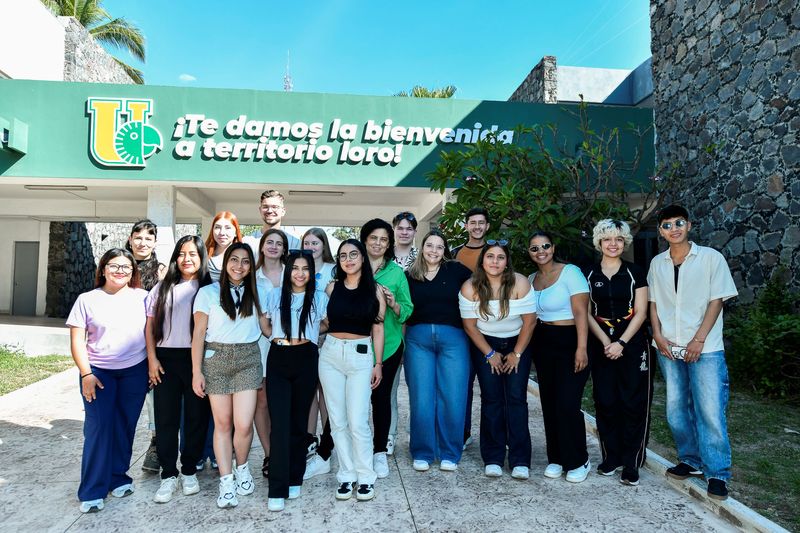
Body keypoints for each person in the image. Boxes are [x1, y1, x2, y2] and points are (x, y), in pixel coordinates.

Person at [648, 205, 737, 501]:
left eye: (679, 223)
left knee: (709, 411)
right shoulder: (657, 264)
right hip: (668, 348)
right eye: (667, 225)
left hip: (705, 348)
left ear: (688, 225)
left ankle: (717, 473)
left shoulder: (711, 258)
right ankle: (690, 460)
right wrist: (657, 335)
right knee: (675, 411)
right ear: (660, 231)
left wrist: (699, 340)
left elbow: (716, 301)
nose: (674, 228)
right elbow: (653, 303)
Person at [67, 248, 150, 513]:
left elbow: (151, 333)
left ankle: (119, 477)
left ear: (133, 272)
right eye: (114, 266)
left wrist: (151, 364)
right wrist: (86, 374)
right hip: (99, 373)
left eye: (126, 267)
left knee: (125, 427)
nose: (120, 271)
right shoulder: (87, 299)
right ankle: (92, 489)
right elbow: (77, 341)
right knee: (99, 428)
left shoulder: (143, 297)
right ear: (103, 269)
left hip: (134, 371)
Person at [191, 242, 270, 509]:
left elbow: (267, 329)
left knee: (244, 424)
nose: (239, 266)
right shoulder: (207, 293)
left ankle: (242, 466)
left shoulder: (258, 293)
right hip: (216, 360)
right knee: (223, 424)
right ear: (225, 264)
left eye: (245, 261)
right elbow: (198, 335)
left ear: (251, 266)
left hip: (248, 359)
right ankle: (226, 482)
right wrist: (196, 372)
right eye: (234, 260)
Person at [459, 240, 536, 479]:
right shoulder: (470, 287)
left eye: (500, 257)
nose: (495, 261)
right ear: (482, 261)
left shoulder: (520, 283)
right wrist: (490, 354)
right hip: (486, 343)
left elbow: (530, 321)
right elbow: (470, 326)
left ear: (506, 262)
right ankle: (492, 457)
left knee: (516, 398)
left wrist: (517, 354)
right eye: (490, 256)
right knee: (491, 399)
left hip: (518, 341)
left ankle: (520, 459)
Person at [584, 220, 652, 486]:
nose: (613, 244)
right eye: (607, 239)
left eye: (619, 239)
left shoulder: (636, 272)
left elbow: (642, 312)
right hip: (601, 343)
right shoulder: (588, 273)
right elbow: (586, 313)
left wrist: (621, 342)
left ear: (625, 243)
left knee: (633, 402)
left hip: (633, 344)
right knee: (606, 401)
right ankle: (611, 457)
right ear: (599, 242)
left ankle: (632, 461)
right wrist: (605, 342)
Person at [145, 236, 212, 503]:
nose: (187, 259)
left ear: (201, 258)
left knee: (197, 417)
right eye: (182, 254)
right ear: (175, 257)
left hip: (198, 360)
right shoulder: (162, 288)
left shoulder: (209, 288)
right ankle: (168, 474)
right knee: (166, 419)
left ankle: (188, 470)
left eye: (193, 254)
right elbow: (149, 328)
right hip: (165, 360)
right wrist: (152, 359)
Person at [262, 250, 329, 512]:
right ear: (288, 269)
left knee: (299, 422)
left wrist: (307, 334)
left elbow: (325, 324)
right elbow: (265, 323)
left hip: (306, 357)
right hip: (279, 357)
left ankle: (294, 477)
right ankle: (277, 487)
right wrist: (274, 337)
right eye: (295, 268)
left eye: (305, 268)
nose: (300, 273)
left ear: (311, 272)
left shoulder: (319, 298)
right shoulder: (274, 295)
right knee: (279, 423)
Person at [319, 239, 385, 502]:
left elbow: (377, 329)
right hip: (331, 354)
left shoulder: (375, 290)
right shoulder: (331, 287)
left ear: (362, 258)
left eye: (353, 254)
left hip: (360, 355)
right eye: (343, 255)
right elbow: (323, 322)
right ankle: (346, 475)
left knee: (357, 420)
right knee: (337, 419)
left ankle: (366, 476)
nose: (348, 259)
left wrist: (378, 364)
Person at [405, 230, 473, 472]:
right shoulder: (409, 275)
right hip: (418, 341)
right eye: (430, 245)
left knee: (453, 397)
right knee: (422, 397)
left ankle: (450, 452)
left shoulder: (457, 271)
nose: (434, 250)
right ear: (422, 247)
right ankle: (422, 451)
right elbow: (402, 310)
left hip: (454, 340)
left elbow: (480, 291)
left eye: (439, 247)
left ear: (445, 251)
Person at [528, 231, 592, 483]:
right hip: (544, 342)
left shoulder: (571, 273)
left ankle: (578, 459)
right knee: (549, 403)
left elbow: (581, 312)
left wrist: (582, 347)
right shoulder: (532, 279)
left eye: (545, 246)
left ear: (553, 248)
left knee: (567, 403)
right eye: (534, 248)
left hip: (571, 340)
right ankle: (556, 457)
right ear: (530, 253)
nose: (540, 251)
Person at [360, 219, 413, 479]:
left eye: (383, 239)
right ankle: (356, 451)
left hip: (389, 346)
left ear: (389, 243)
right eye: (373, 238)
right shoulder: (352, 266)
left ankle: (379, 451)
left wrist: (393, 304)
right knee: (355, 403)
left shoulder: (396, 273)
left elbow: (408, 310)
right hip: (355, 346)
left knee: (380, 400)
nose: (378, 243)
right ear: (365, 239)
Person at [126, 219, 166, 474]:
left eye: (148, 238)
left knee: (156, 400)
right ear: (130, 239)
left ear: (154, 242)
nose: (142, 243)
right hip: (122, 345)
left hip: (152, 343)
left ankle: (156, 445)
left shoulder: (161, 271)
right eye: (138, 237)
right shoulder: (117, 266)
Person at [451, 207, 490, 449]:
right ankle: (462, 433)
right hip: (462, 326)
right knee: (462, 384)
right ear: (466, 226)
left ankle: (493, 436)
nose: (477, 226)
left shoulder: (495, 252)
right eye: (472, 222)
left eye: (481, 223)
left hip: (492, 326)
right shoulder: (455, 253)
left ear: (487, 226)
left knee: (491, 387)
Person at [301, 228, 337, 479]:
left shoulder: (333, 269)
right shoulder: (297, 267)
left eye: (316, 242)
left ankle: (329, 437)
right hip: (305, 339)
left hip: (328, 336)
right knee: (309, 390)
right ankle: (309, 437)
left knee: (326, 391)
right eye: (307, 242)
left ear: (323, 245)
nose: (311, 246)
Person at [253, 228, 289, 478]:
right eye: (270, 242)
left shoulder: (294, 272)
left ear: (285, 249)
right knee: (263, 401)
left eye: (279, 243)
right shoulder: (251, 276)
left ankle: (287, 451)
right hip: (259, 344)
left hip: (292, 346)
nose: (274, 246)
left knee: (286, 402)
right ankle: (269, 454)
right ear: (262, 247)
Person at [387, 211, 417, 456]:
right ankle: (389, 435)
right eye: (400, 228)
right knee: (389, 388)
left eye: (409, 228)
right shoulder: (385, 258)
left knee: (419, 389)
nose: (404, 231)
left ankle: (417, 436)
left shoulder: (423, 258)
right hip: (391, 329)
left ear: (415, 232)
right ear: (394, 230)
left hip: (417, 329)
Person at [244, 190, 301, 255]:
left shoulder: (296, 243)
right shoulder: (247, 241)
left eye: (274, 207)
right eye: (265, 207)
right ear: (260, 210)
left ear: (283, 211)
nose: (269, 211)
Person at [205, 212, 243, 282]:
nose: (222, 233)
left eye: (227, 228)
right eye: (217, 227)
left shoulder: (245, 256)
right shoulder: (204, 255)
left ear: (235, 232)